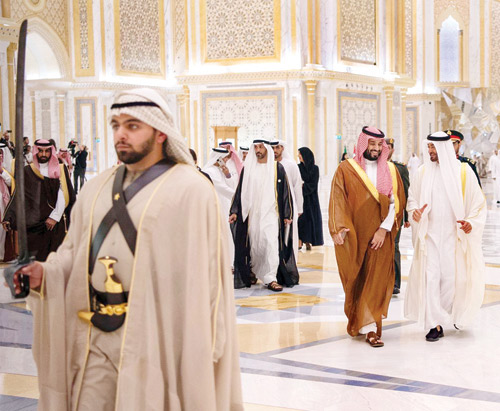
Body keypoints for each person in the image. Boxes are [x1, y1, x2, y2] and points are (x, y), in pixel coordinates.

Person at [9, 88, 242, 410]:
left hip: (157, 341)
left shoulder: (190, 190)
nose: (121, 134)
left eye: (133, 126)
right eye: (116, 125)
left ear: (160, 132)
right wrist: (44, 275)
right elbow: (73, 254)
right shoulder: (96, 188)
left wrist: (202, 350)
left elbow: (209, 280)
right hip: (95, 337)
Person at [405, 131, 486, 342]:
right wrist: (414, 213)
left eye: (433, 147)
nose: (430, 151)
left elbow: (478, 203)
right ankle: (435, 324)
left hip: (454, 237)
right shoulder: (422, 172)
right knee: (431, 278)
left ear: (444, 148)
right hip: (429, 237)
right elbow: (412, 200)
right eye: (429, 147)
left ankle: (452, 313)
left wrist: (471, 223)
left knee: (451, 279)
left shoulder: (463, 172)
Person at [328, 126, 405, 347]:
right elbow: (338, 198)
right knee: (358, 278)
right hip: (356, 234)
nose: (376, 148)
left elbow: (396, 203)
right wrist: (338, 227)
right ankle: (360, 321)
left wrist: (383, 229)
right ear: (363, 144)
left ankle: (371, 328)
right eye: (372, 144)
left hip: (381, 236)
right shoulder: (346, 169)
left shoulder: (391, 170)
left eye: (380, 145)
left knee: (377, 279)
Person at [230, 139, 299, 291]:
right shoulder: (248, 168)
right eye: (256, 147)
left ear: (267, 148)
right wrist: (234, 211)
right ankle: (254, 271)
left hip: (271, 213)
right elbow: (240, 191)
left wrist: (287, 214)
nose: (258, 150)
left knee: (271, 243)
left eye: (261, 147)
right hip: (252, 215)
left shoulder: (277, 168)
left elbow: (285, 192)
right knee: (255, 246)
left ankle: (271, 278)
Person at [3, 139, 76, 262]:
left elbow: (63, 195)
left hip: (54, 224)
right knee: (35, 261)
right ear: (36, 151)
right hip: (34, 224)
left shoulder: (60, 169)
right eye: (40, 151)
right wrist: (9, 216)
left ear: (51, 152)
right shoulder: (28, 171)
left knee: (54, 260)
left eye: (47, 151)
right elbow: (19, 195)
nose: (43, 154)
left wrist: (54, 217)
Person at [385, 138, 410, 295]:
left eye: (389, 147)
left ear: (392, 150)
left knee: (393, 246)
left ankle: (395, 283)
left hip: (395, 215)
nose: (385, 149)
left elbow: (406, 192)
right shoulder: (373, 167)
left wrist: (406, 217)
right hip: (377, 215)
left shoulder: (399, 168)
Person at [272, 140, 303, 260]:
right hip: (272, 206)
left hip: (289, 205)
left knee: (290, 234)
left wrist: (299, 208)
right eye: (272, 148)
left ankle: (290, 261)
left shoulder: (291, 165)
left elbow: (297, 186)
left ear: (282, 148)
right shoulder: (268, 165)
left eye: (277, 147)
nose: (275, 150)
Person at [298, 147, 323, 250]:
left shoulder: (315, 168)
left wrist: (303, 186)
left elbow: (313, 184)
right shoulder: (298, 167)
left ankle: (309, 241)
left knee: (310, 220)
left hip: (312, 199)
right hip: (301, 198)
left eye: (300, 154)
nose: (298, 156)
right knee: (301, 221)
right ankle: (300, 241)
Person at [0, 149, 15, 261]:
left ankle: (2, 255)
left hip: (2, 203)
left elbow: (11, 182)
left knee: (2, 229)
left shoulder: (4, 170)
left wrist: (1, 172)